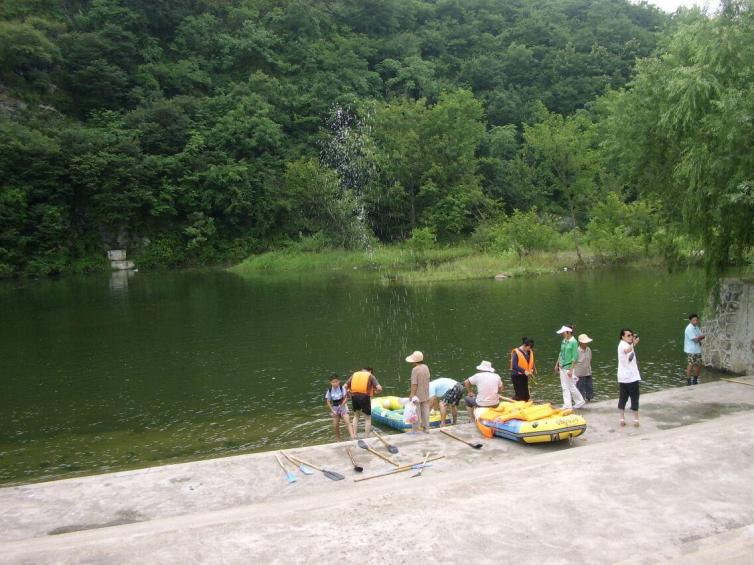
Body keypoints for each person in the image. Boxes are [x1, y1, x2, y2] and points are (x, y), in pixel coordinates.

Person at [554, 325, 585, 410]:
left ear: (568, 332)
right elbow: (561, 353)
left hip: (568, 367)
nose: (562, 334)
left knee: (571, 386)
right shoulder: (564, 341)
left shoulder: (573, 342)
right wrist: (557, 364)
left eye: (563, 333)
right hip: (562, 366)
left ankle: (580, 401)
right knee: (564, 386)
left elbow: (574, 357)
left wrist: (571, 369)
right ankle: (567, 404)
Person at [345, 367, 382, 438]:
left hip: (354, 397)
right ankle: (366, 437)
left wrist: (348, 393)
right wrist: (377, 392)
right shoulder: (370, 375)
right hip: (365, 398)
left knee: (356, 416)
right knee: (367, 418)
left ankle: (355, 435)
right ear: (370, 371)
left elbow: (344, 386)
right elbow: (379, 388)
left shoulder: (354, 375)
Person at [617, 328, 641, 427]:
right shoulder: (623, 344)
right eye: (628, 335)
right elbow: (627, 351)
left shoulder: (626, 344)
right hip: (629, 377)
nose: (631, 337)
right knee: (630, 398)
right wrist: (634, 343)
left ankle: (626, 418)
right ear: (623, 337)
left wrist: (632, 343)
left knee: (626, 398)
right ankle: (632, 419)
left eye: (631, 335)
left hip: (626, 376)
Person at [406, 351, 431, 433]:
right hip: (426, 392)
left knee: (416, 412)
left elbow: (414, 384)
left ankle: (415, 430)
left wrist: (412, 394)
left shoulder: (415, 369)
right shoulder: (426, 367)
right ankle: (426, 428)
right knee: (426, 410)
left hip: (417, 394)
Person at [325, 374, 354, 441]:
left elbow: (346, 398)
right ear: (330, 382)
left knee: (347, 422)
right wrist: (332, 411)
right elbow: (328, 401)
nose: (335, 383)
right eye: (333, 382)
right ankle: (338, 439)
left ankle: (353, 437)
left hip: (343, 407)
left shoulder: (342, 388)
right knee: (335, 425)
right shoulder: (329, 390)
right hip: (335, 408)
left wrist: (341, 405)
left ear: (339, 381)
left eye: (336, 381)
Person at [684, 313, 705, 386]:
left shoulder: (696, 327)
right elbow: (695, 340)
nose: (695, 321)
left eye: (696, 320)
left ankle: (695, 380)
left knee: (698, 365)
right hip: (691, 350)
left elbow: (702, 336)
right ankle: (688, 380)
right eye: (694, 320)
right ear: (690, 321)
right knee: (691, 365)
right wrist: (699, 337)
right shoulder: (689, 328)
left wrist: (699, 337)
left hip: (697, 350)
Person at [574, 334, 594, 402]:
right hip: (579, 373)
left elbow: (590, 359)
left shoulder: (588, 349)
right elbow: (573, 362)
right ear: (581, 342)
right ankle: (580, 401)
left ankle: (589, 400)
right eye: (585, 342)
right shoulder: (576, 350)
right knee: (580, 387)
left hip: (588, 371)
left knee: (589, 387)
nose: (586, 343)